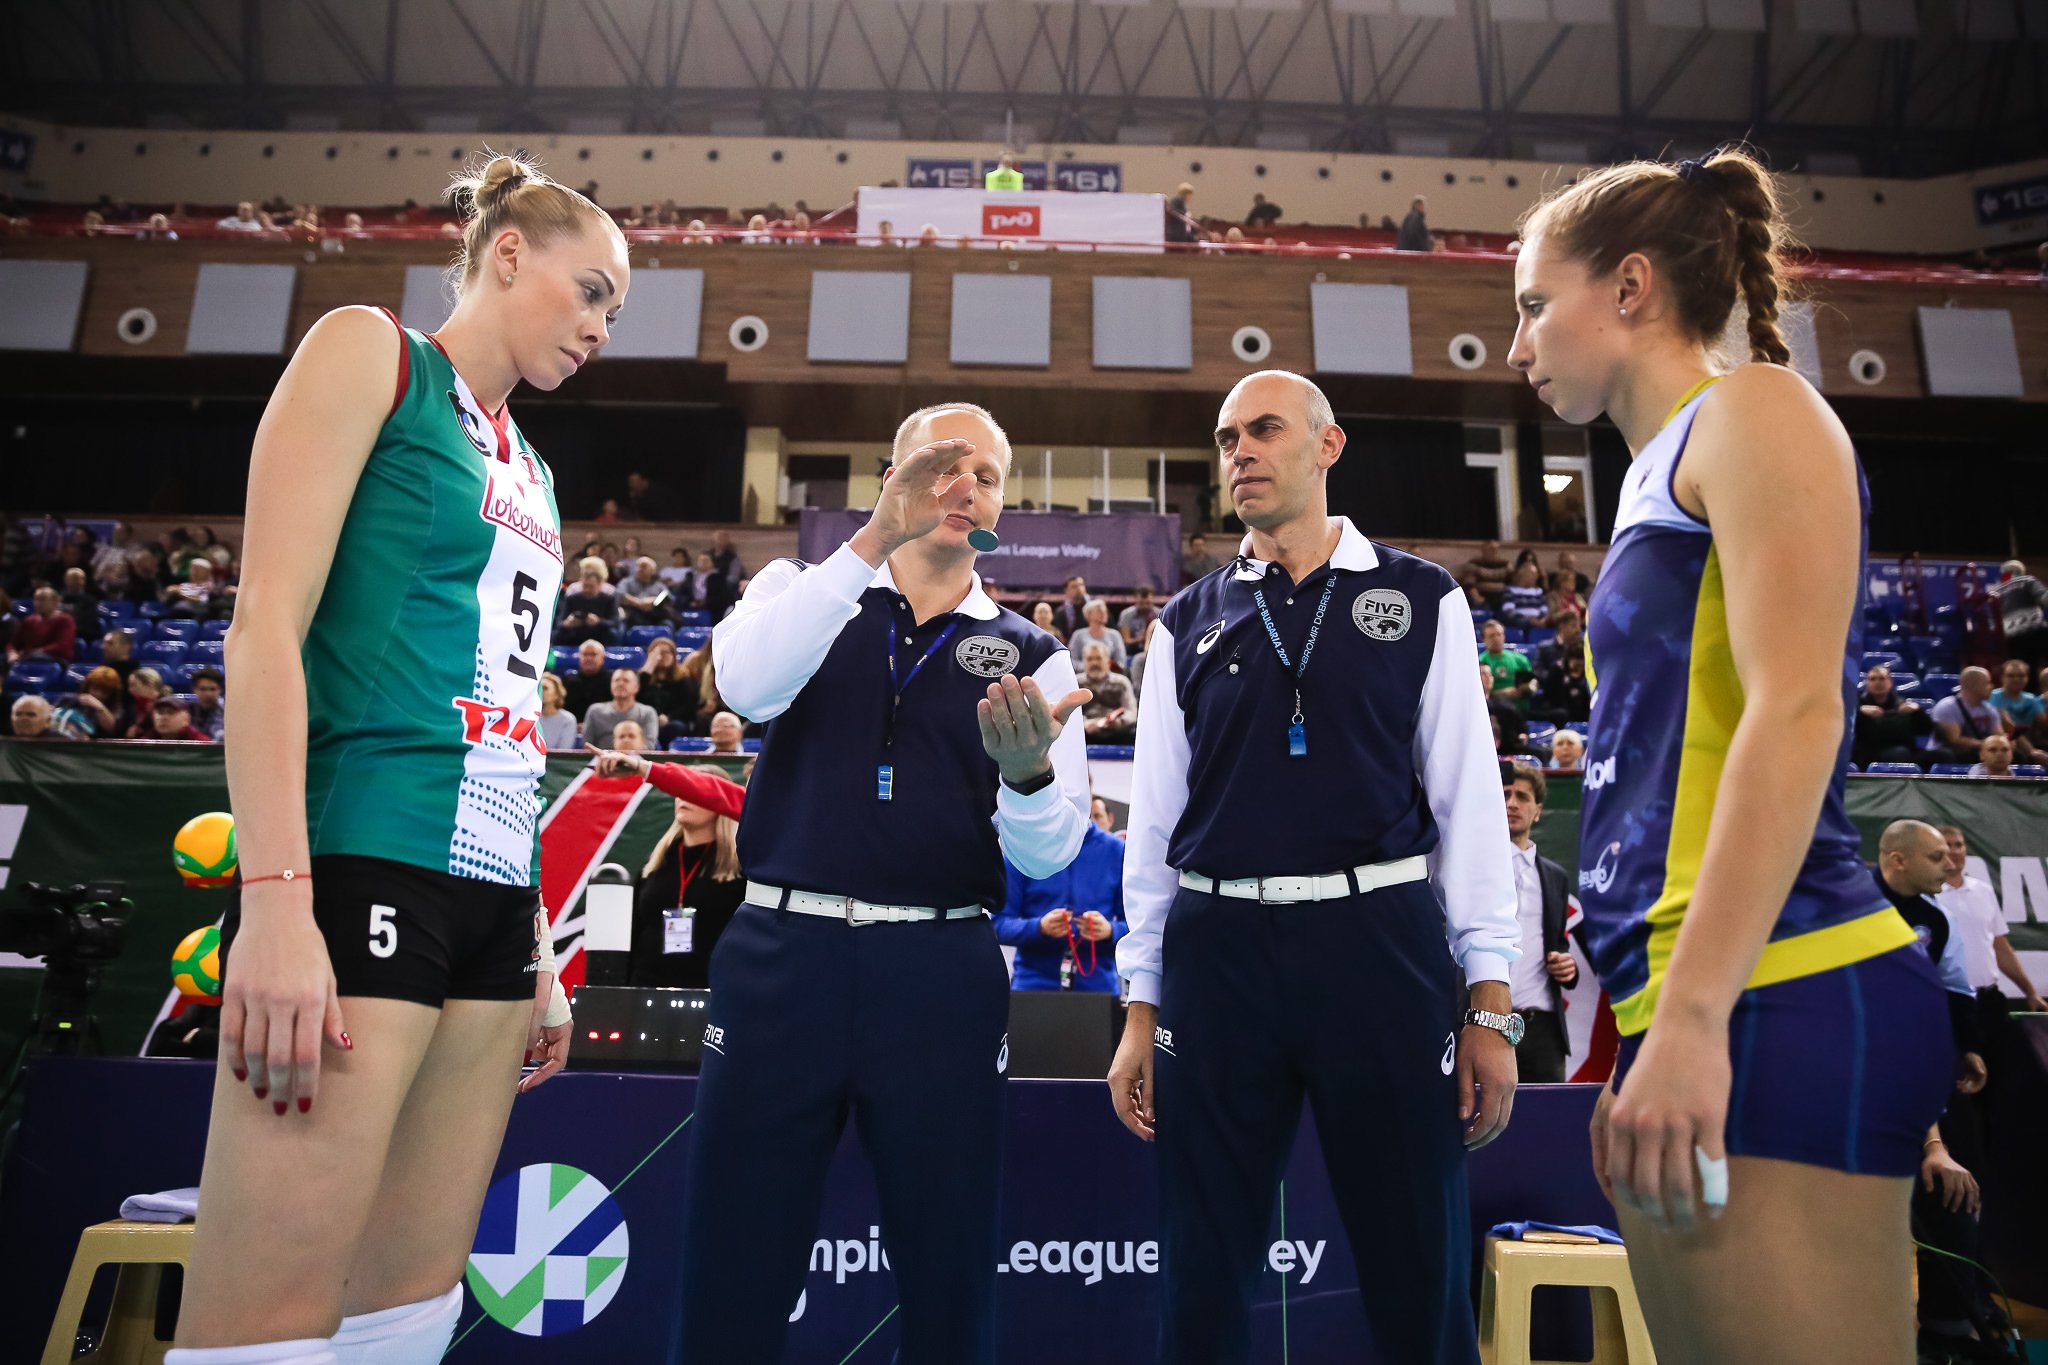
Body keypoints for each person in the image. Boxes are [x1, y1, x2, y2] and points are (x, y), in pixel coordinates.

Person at [166, 152, 619, 1365]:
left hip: (492, 894)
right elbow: (264, 628)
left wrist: (536, 936)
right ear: (507, 254)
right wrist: (274, 902)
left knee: (407, 1319)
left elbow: (506, 703)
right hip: (364, 855)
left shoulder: (535, 468)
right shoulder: (373, 355)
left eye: (614, 312)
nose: (599, 328)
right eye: (589, 293)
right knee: (261, 1332)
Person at [1510, 149, 1948, 1364]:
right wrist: (1650, 1031)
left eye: (1535, 304)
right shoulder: (1651, 475)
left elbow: (1796, 711)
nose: (1518, 343)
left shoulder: (1755, 409)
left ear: (1629, 286)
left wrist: (1696, 1014)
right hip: (1691, 997)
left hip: (1783, 981)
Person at [1112, 370, 1519, 1364]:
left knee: (1415, 1256)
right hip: (1217, 952)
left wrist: (1490, 1004)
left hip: (1377, 943)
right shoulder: (1183, 620)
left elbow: (1469, 805)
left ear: (1327, 446)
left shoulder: (1420, 597)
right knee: (1202, 1266)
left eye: (1263, 430)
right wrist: (1139, 1006)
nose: (1240, 452)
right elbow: (1153, 832)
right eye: (1226, 439)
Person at [677, 402, 1092, 1364]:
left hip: (940, 967)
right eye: (942, 466)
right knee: (736, 1251)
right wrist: (872, 541)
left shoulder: (1034, 653)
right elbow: (745, 686)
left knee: (949, 1261)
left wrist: (1027, 776)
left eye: (986, 476)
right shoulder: (800, 586)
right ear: (890, 478)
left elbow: (1046, 856)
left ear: (1003, 505)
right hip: (783, 957)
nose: (965, 488)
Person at [1870, 820, 1999, 1361]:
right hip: (1848, 1077)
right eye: (1937, 856)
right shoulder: (1848, 907)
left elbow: (1954, 988)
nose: (1951, 864)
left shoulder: (1936, 918)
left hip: (1916, 1069)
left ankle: (1949, 1329)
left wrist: (1967, 1047)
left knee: (1955, 1187)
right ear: (1897, 860)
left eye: (1951, 853)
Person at [593, 746, 748, 988]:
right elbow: (634, 932)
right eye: (679, 792)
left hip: (712, 991)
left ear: (719, 803)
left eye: (693, 792)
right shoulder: (655, 864)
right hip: (646, 988)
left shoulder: (740, 870)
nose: (683, 798)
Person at [1502, 762, 1580, 1083]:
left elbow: (1558, 945)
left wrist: (1568, 967)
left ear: (1538, 811)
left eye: (1522, 796)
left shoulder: (1555, 877)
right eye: (1505, 795)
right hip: (1482, 1021)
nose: (1512, 803)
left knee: (1550, 1114)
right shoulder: (1472, 869)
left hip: (1544, 1030)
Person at [994, 815, 1127, 991]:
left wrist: (1110, 931)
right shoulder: (1022, 849)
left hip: (1098, 986)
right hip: (1034, 985)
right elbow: (998, 925)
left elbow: (1137, 927)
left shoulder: (1117, 851)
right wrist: (1039, 928)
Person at [1935, 825, 2047, 1016]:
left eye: (1959, 845)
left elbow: (1999, 945)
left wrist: (2030, 992)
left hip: (1989, 998)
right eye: (1947, 845)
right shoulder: (1925, 895)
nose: (1954, 851)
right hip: (1947, 999)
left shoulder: (1983, 891)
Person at [1853, 663, 1933, 768]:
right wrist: (1859, 712)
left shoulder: (1902, 704)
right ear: (1867, 683)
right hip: (1868, 753)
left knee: (1943, 755)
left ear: (1890, 682)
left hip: (1906, 751)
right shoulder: (1856, 705)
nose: (1877, 682)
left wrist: (1918, 711)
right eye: (1872, 679)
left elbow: (1927, 730)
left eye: (1882, 679)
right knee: (1900, 753)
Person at [1930, 666, 2010, 766]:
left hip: (1978, 750)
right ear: (1973, 685)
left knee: (2014, 754)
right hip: (1951, 753)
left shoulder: (1989, 709)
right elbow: (1954, 741)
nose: (1991, 687)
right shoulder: (1947, 707)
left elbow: (1998, 736)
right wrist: (1986, 744)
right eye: (1987, 683)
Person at [638, 634, 700, 744]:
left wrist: (669, 717)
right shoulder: (644, 678)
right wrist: (649, 666)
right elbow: (637, 698)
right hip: (646, 720)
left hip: (673, 721)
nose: (665, 656)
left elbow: (689, 706)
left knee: (675, 728)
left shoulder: (683, 678)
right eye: (660, 653)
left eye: (669, 652)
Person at [582, 668, 657, 750]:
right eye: (616, 680)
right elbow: (587, 745)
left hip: (636, 757)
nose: (620, 684)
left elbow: (649, 747)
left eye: (626, 681)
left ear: (637, 687)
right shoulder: (595, 711)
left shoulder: (647, 713)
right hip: (601, 757)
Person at [1078, 642, 1137, 745]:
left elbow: (1131, 711)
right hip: (1084, 732)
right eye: (1090, 659)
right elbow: (1070, 713)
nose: (1094, 663)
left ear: (1107, 661)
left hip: (1117, 731)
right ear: (1084, 662)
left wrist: (1120, 722)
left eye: (1098, 658)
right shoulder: (1076, 683)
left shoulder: (1121, 682)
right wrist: (1084, 724)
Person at [1992, 558, 2046, 671]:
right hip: (2034, 632)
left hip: (2010, 641)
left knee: (2027, 668)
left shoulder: (1996, 592)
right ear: (2022, 572)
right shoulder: (2027, 581)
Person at [1987, 657, 2045, 762]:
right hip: (2006, 746)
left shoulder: (2031, 699)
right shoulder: (1994, 697)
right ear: (2002, 678)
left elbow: (2044, 723)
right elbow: (2008, 727)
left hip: (2030, 744)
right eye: (2011, 676)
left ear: (2027, 678)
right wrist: (2031, 751)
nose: (2016, 679)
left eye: (2021, 675)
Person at [556, 555, 619, 644]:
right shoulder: (572, 598)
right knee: (559, 633)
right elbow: (560, 622)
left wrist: (598, 621)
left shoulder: (609, 599)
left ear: (599, 584)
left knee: (612, 633)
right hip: (575, 634)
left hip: (599, 635)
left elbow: (615, 622)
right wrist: (568, 623)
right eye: (585, 586)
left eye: (591, 587)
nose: (587, 590)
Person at [1479, 618, 1535, 713]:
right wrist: (1502, 693)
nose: (1496, 639)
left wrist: (1527, 688)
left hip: (1520, 709)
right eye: (1492, 636)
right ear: (1483, 639)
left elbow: (1528, 685)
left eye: (1499, 634)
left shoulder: (1519, 660)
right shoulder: (1479, 661)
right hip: (1492, 709)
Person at [16, 586, 76, 662]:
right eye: (36, 599)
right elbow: (15, 643)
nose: (38, 603)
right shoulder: (29, 621)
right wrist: (11, 652)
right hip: (30, 657)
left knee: (36, 658)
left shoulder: (65, 620)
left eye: (43, 600)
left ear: (55, 602)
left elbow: (62, 647)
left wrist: (34, 652)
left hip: (56, 659)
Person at [1067, 598, 1127, 671]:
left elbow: (1121, 661)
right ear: (1088, 615)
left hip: (1109, 674)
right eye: (1099, 611)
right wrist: (1089, 666)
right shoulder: (1078, 635)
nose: (1103, 613)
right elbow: (1071, 660)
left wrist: (1104, 667)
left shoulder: (1115, 635)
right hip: (1083, 673)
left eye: (1105, 611)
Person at [617, 556, 675, 627]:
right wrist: (638, 603)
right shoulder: (626, 582)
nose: (640, 569)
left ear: (653, 570)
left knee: (668, 623)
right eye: (637, 566)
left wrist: (654, 600)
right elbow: (619, 594)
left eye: (644, 566)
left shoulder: (659, 586)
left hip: (655, 616)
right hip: (632, 615)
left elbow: (669, 598)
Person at [561, 638, 612, 718]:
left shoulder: (612, 681)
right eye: (585, 654)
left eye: (593, 654)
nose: (588, 658)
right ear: (579, 657)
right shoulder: (568, 680)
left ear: (603, 658)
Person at [1462, 538, 1510, 609]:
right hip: (1483, 596)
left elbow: (1512, 583)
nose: (1494, 551)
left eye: (1496, 549)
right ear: (1483, 551)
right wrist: (1477, 597)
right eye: (1491, 549)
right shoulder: (1474, 564)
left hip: (1502, 597)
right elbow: (1469, 584)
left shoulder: (1506, 565)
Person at [536, 673, 578, 753]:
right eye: (539, 688)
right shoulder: (532, 717)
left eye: (545, 688)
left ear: (557, 694)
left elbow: (564, 751)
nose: (541, 692)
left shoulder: (568, 720)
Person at [1118, 583, 1159, 653]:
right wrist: (1139, 639)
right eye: (1141, 603)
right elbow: (1125, 640)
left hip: (1155, 650)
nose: (1145, 606)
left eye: (1148, 603)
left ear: (1153, 600)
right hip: (1132, 652)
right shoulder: (1126, 615)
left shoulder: (1160, 614)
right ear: (1135, 599)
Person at [189, 666, 227, 741]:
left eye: (212, 689)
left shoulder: (227, 712)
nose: (208, 694)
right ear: (194, 689)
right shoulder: (187, 711)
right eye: (203, 689)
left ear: (220, 690)